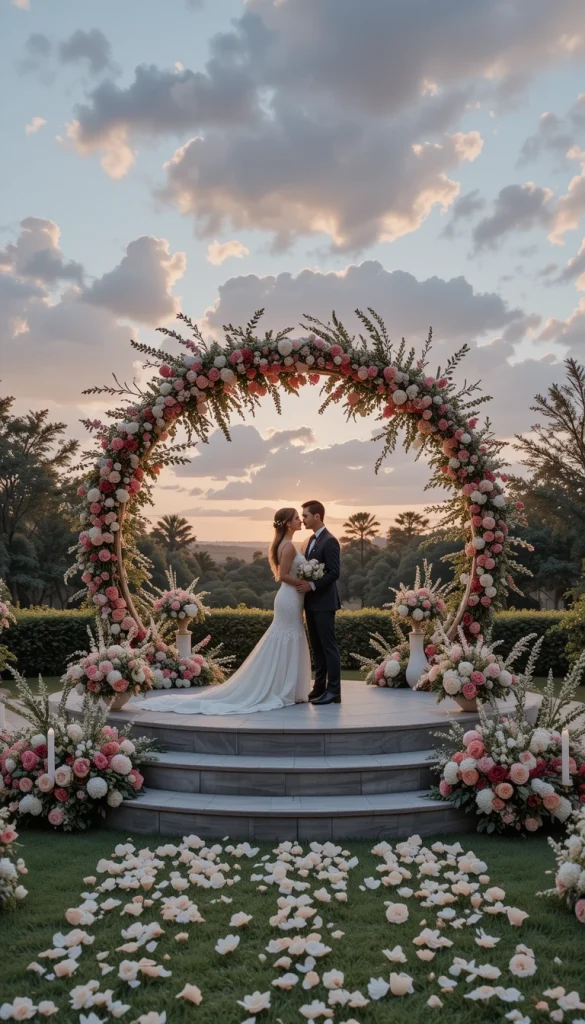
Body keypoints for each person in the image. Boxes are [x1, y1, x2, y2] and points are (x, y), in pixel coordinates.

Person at [130, 508, 311, 715]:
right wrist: (304, 583)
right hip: (290, 596)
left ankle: (287, 687)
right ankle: (285, 689)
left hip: (291, 598)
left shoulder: (283, 544)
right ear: (288, 523)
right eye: (297, 518)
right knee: (287, 638)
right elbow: (283, 576)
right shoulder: (287, 547)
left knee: (289, 638)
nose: (300, 521)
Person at [299, 500, 342, 705]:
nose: (302, 519)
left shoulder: (330, 541)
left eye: (305, 515)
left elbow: (334, 573)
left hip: (325, 603)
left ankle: (334, 692)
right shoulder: (309, 540)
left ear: (317, 516)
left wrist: (312, 586)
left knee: (329, 647)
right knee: (317, 647)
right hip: (311, 604)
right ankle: (319, 688)